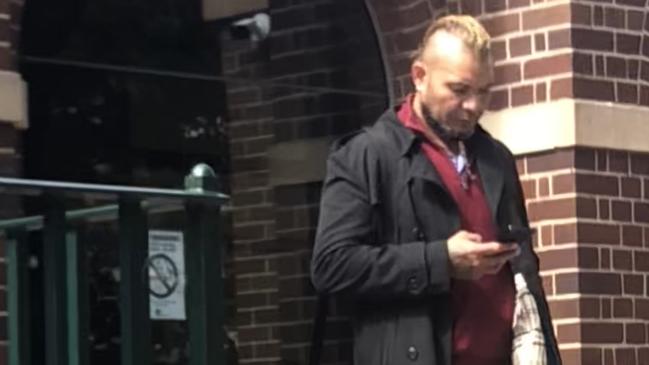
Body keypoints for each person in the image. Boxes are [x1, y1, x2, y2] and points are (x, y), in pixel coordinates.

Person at [311, 15, 561, 365]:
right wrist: (439, 261)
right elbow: (331, 267)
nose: (473, 106)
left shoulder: (495, 158)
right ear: (420, 77)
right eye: (459, 90)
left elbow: (525, 277)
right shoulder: (366, 155)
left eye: (483, 91)